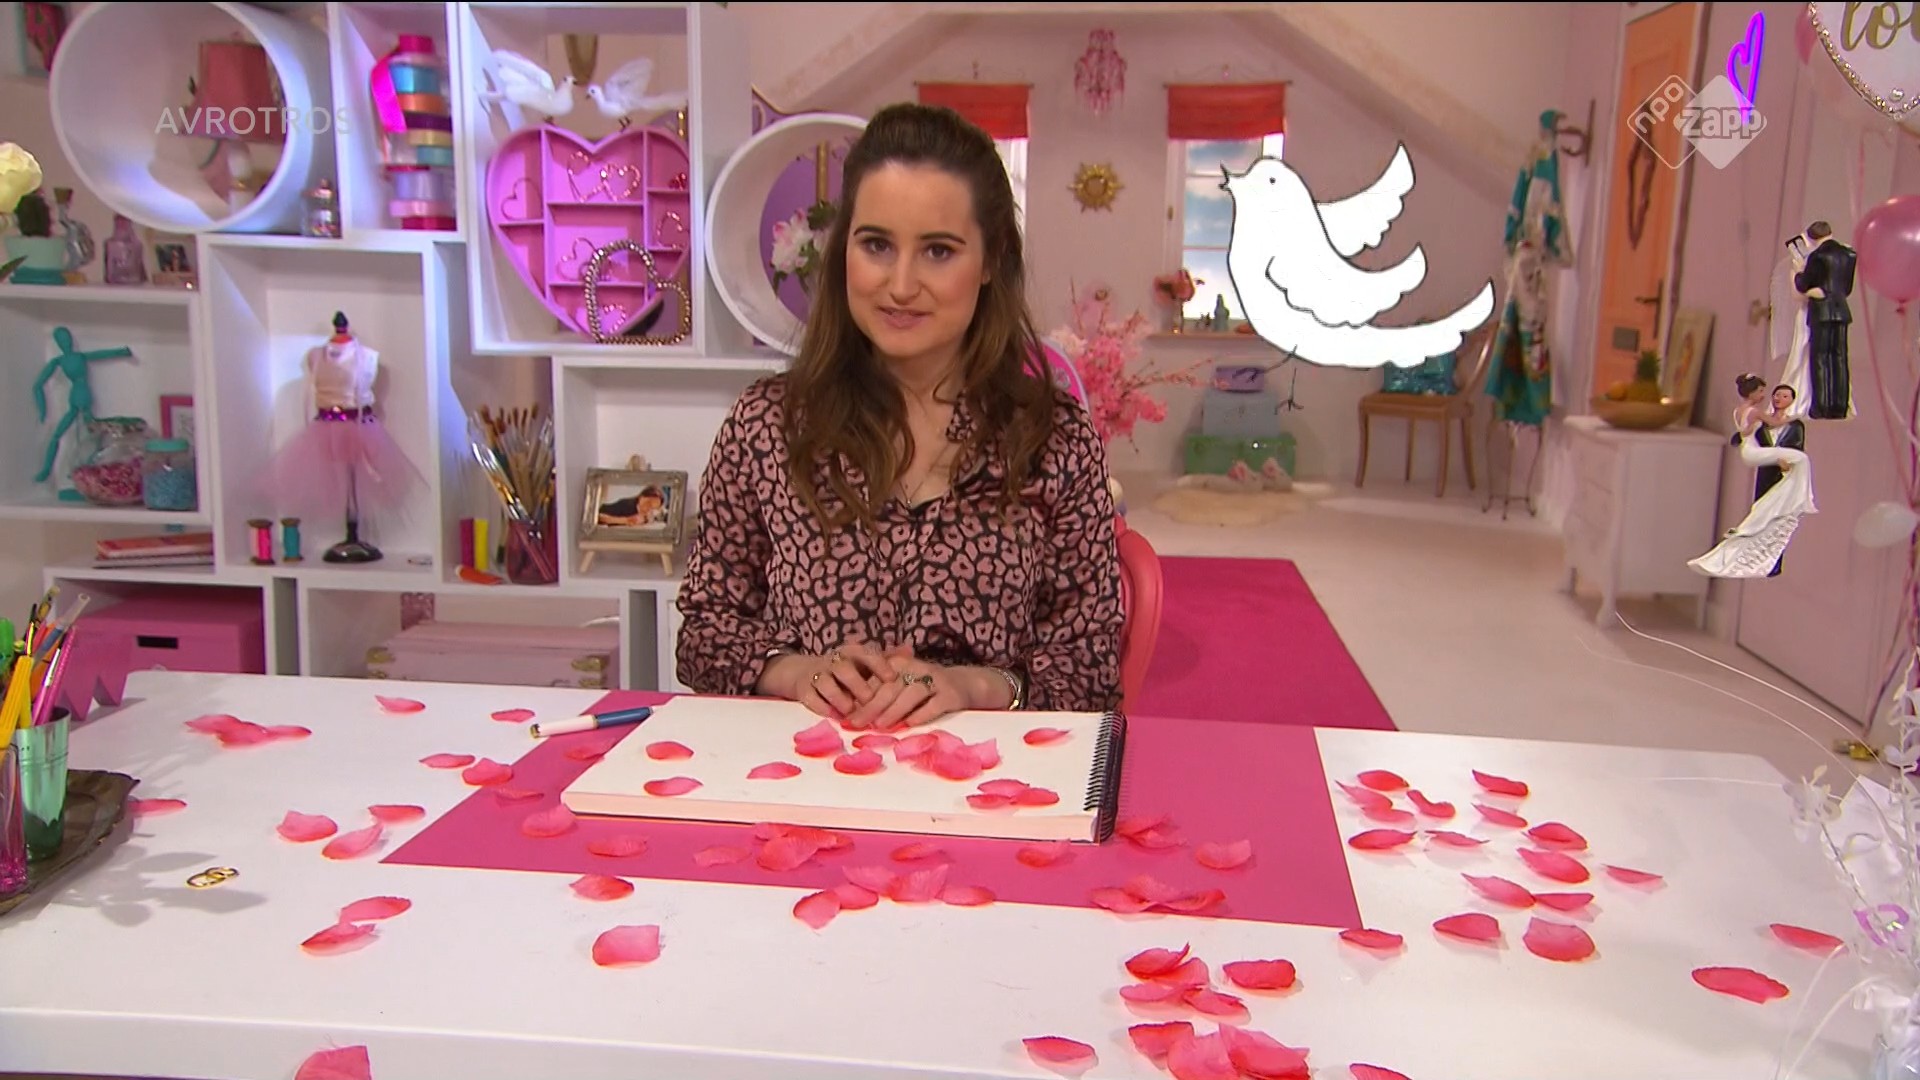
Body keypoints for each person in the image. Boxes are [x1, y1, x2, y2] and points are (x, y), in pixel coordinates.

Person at [675, 103, 1124, 729]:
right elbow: (704, 633)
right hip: (809, 766)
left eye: (938, 251)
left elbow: (1091, 663)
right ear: (844, 251)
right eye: (877, 245)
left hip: (988, 772)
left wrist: (974, 685)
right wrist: (796, 672)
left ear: (990, 260)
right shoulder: (766, 426)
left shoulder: (1055, 438)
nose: (902, 284)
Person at [1688, 374, 1817, 579]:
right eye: (1765, 392)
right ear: (1752, 393)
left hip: (1751, 453)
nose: (1770, 397)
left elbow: (1743, 431)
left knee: (1798, 461)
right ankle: (1804, 497)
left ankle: (1794, 498)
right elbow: (1772, 423)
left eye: (1784, 396)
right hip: (1757, 456)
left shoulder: (1739, 411)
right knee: (1801, 459)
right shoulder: (1757, 413)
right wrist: (1796, 416)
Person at [1793, 220, 1857, 420]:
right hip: (1841, 311)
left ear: (1812, 238)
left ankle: (1821, 405)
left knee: (1820, 358)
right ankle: (1840, 405)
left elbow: (1804, 284)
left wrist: (1798, 272)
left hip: (1822, 311)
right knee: (1840, 357)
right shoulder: (1849, 255)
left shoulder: (1817, 256)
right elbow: (1847, 288)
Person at [1751, 384, 1806, 578]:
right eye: (1777, 395)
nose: (1779, 399)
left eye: (1784, 396)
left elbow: (1797, 449)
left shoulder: (1795, 426)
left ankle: (1773, 563)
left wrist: (1788, 463)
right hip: (1766, 473)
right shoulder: (1763, 424)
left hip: (1784, 477)